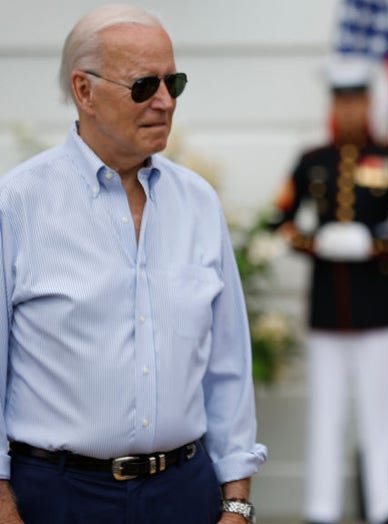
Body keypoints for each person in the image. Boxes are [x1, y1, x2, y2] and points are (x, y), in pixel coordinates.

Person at [0, 5, 266, 523]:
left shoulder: (199, 203)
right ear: (84, 91)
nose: (165, 102)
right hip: (56, 498)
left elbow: (228, 368)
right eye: (144, 85)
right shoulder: (16, 204)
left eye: (174, 82)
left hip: (184, 492)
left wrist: (236, 504)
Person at [271, 56, 388, 524]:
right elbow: (278, 220)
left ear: (369, 103)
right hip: (326, 307)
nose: (347, 110)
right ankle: (321, 509)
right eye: (340, 101)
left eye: (356, 100)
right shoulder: (310, 162)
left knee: (381, 410)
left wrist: (376, 245)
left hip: (378, 307)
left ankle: (386, 506)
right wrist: (313, 242)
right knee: (326, 413)